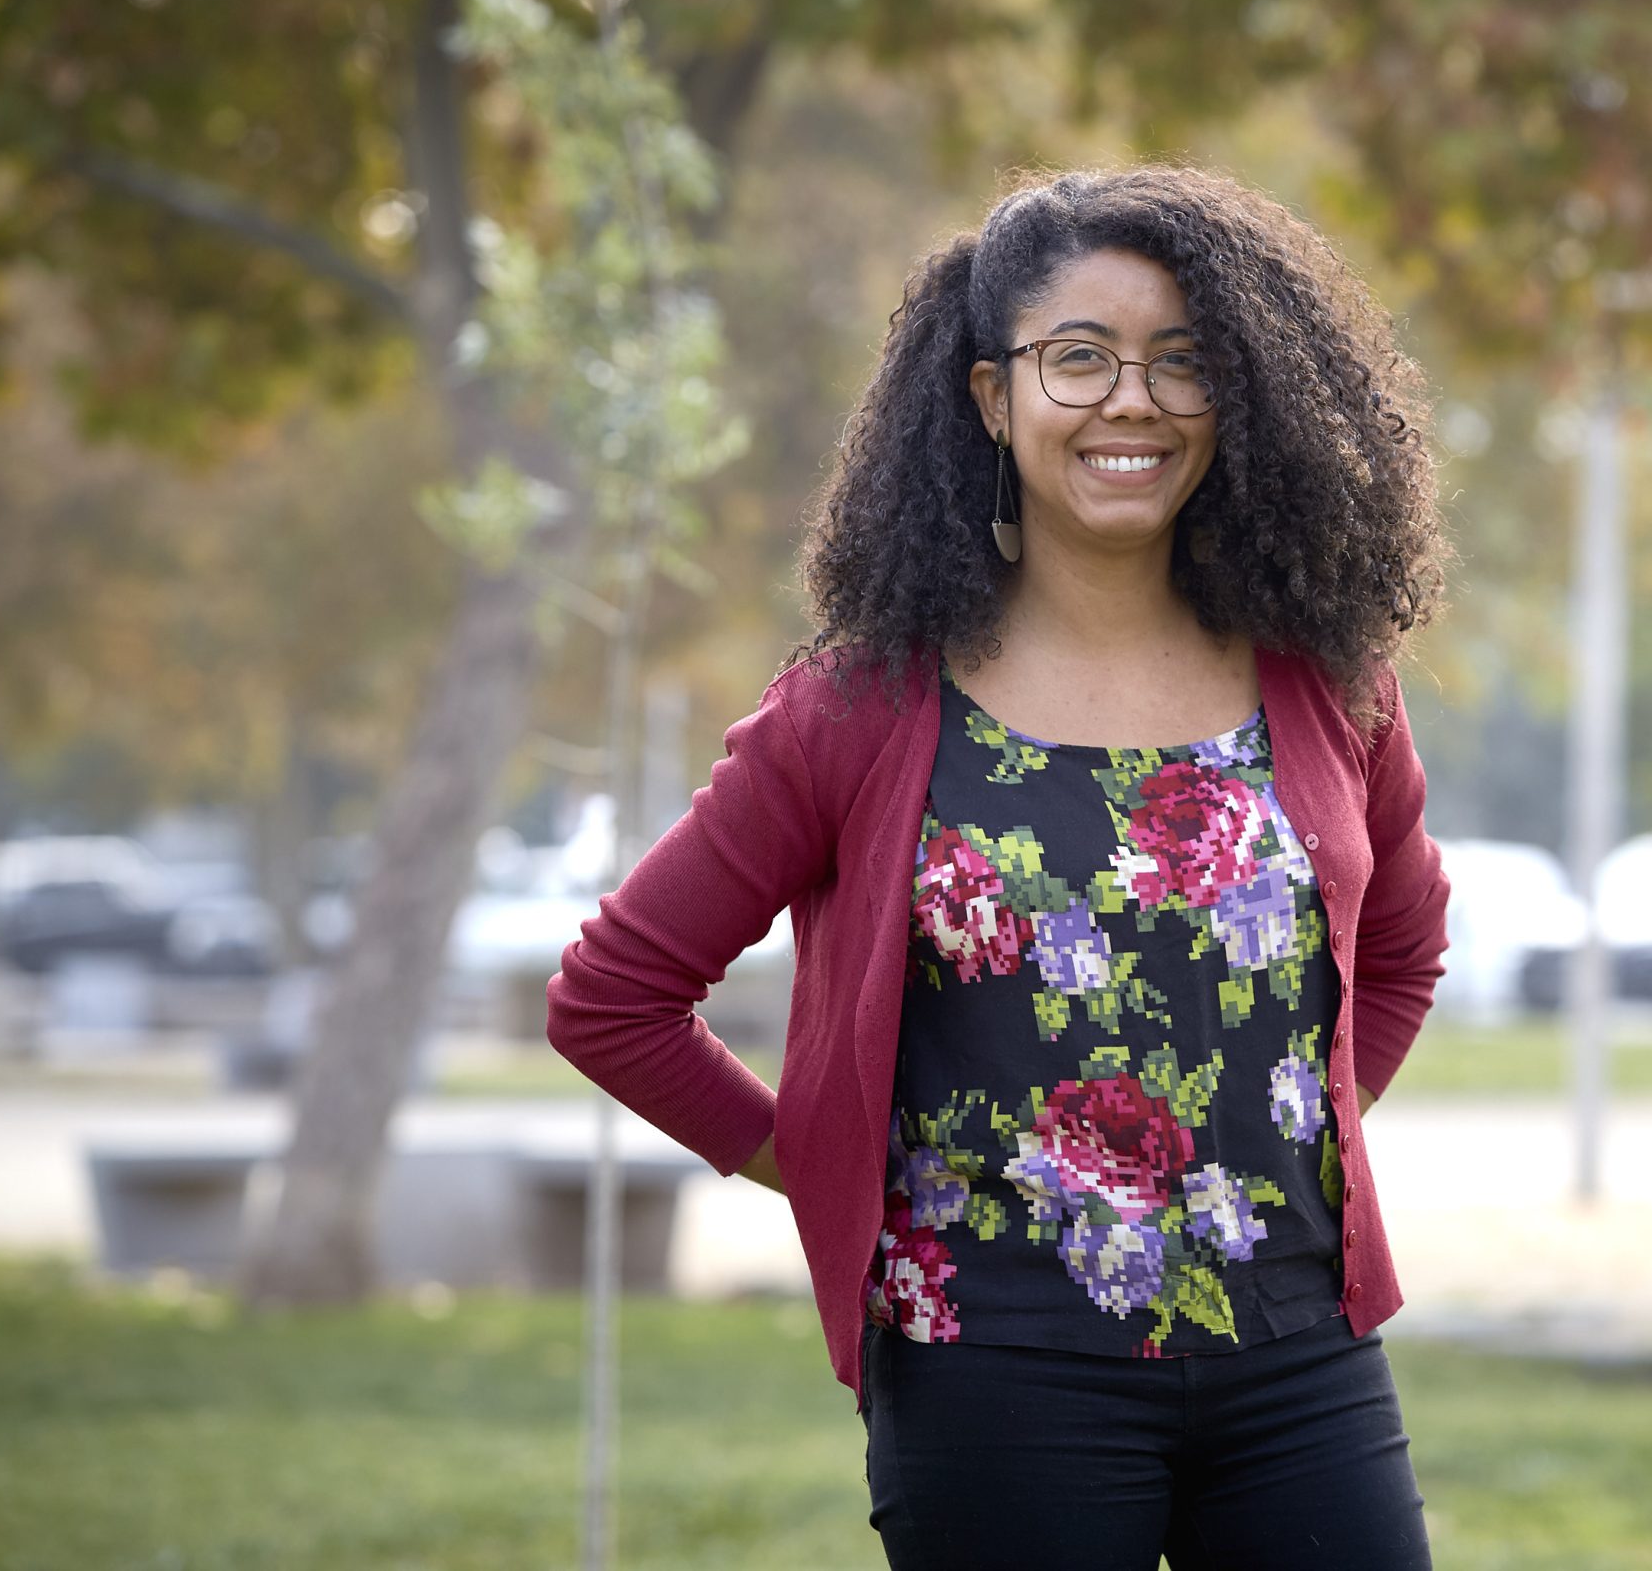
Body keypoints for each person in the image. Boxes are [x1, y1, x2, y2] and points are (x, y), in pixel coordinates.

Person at [548, 165, 1452, 1570]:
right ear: (992, 396)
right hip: (997, 1373)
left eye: (1182, 360)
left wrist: (1316, 1127)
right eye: (1078, 358)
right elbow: (613, 998)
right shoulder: (857, 708)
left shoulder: (1327, 677)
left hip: (1301, 1358)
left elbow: (1400, 948)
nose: (1132, 401)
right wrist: (825, 1170)